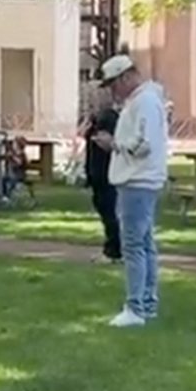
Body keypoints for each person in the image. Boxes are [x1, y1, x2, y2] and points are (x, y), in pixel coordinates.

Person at [98, 54, 169, 327]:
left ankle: (135, 306)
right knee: (144, 243)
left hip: (137, 179)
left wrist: (114, 144)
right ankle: (146, 302)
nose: (112, 91)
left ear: (126, 77)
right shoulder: (142, 101)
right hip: (140, 179)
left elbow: (143, 144)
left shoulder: (145, 102)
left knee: (133, 245)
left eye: (113, 84)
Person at [80, 86, 121, 263]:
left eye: (95, 98)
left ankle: (114, 250)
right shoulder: (95, 118)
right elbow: (83, 134)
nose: (91, 102)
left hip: (105, 172)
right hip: (96, 171)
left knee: (109, 211)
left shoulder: (108, 118)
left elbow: (104, 141)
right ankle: (112, 247)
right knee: (104, 209)